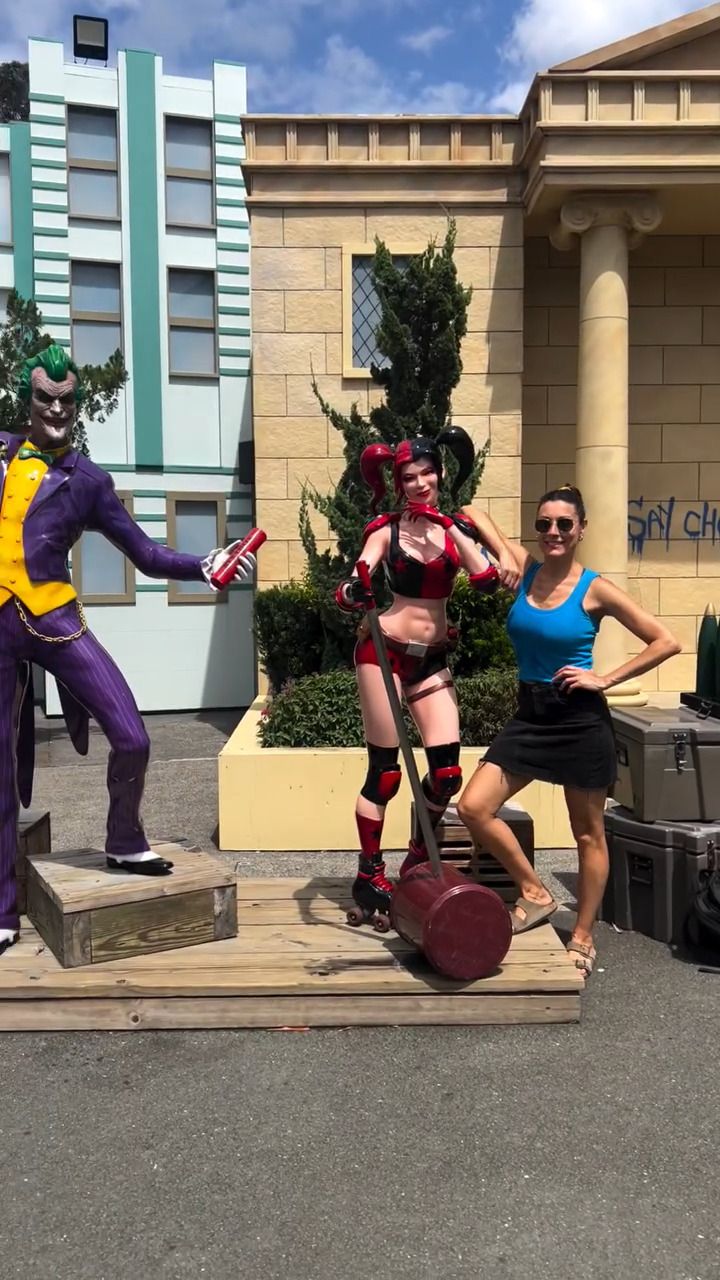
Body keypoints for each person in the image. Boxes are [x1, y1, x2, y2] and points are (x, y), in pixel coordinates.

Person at [0, 345, 256, 956]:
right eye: (45, 398)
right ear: (27, 400)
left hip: (54, 620)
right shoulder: (2, 453)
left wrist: (201, 564)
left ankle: (123, 837)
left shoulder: (88, 481)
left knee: (132, 736)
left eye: (66, 400)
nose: (55, 410)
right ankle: (2, 907)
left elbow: (144, 553)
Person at [457, 483, 681, 977]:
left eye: (564, 524)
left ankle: (582, 936)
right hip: (530, 715)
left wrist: (605, 678)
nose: (553, 532)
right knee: (474, 806)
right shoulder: (525, 570)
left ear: (581, 529)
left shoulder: (594, 588)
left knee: (587, 834)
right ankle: (535, 892)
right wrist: (502, 551)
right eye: (544, 524)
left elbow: (666, 641)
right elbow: (470, 511)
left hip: (579, 719)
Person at [335, 426, 521, 928]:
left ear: (439, 474)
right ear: (397, 483)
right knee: (386, 773)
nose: (419, 484)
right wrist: (353, 591)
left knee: (446, 774)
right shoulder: (386, 529)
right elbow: (355, 577)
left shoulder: (452, 528)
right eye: (408, 477)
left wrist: (447, 525)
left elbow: (485, 580)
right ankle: (370, 873)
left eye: (427, 474)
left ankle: (418, 856)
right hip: (384, 652)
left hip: (432, 658)